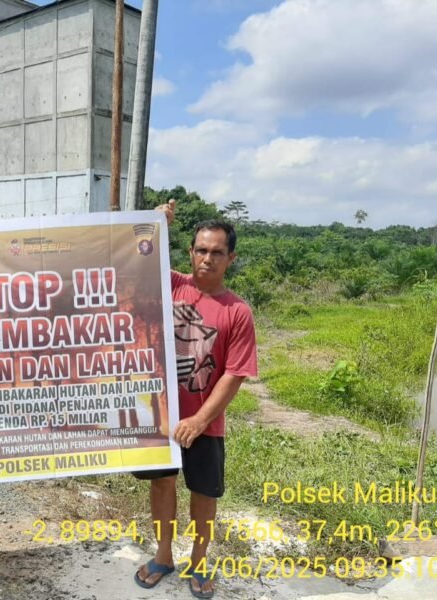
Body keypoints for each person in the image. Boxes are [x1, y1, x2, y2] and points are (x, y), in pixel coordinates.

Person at [133, 200, 257, 599]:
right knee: (161, 485)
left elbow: (235, 374)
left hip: (205, 423)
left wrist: (200, 420)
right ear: (190, 252)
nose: (207, 258)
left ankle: (200, 561)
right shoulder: (169, 284)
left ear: (231, 258)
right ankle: (163, 555)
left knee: (204, 495)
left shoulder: (238, 311)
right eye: (201, 250)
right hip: (159, 415)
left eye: (217, 252)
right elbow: (132, 260)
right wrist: (155, 224)